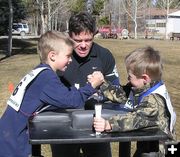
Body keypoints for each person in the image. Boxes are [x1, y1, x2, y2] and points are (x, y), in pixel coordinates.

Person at [0, 31, 104, 157]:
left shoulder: (40, 72)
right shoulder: (46, 78)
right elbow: (72, 101)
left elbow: (64, 94)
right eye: (68, 56)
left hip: (10, 132)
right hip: (13, 139)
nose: (70, 60)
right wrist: (91, 86)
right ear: (53, 56)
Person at [52, 11, 120, 157]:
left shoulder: (104, 55)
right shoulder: (57, 56)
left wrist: (103, 87)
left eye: (88, 40)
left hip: (96, 123)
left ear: (94, 36)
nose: (83, 45)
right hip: (63, 124)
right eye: (78, 40)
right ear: (69, 35)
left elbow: (118, 94)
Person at [93, 46, 176, 156]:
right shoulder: (143, 87)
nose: (128, 78)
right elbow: (122, 94)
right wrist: (102, 84)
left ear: (145, 78)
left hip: (158, 150)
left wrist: (109, 124)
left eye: (130, 76)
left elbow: (136, 119)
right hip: (147, 144)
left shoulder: (154, 100)